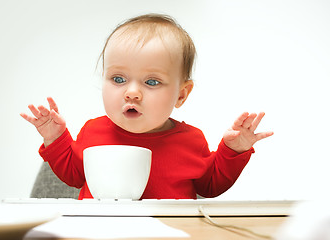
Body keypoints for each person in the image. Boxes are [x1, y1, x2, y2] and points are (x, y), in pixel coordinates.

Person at [20, 14, 273, 200]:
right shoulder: (93, 132)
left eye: (151, 82)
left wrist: (233, 150)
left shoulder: (191, 140)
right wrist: (55, 138)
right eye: (118, 79)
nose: (131, 92)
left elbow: (211, 185)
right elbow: (72, 174)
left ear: (181, 95)